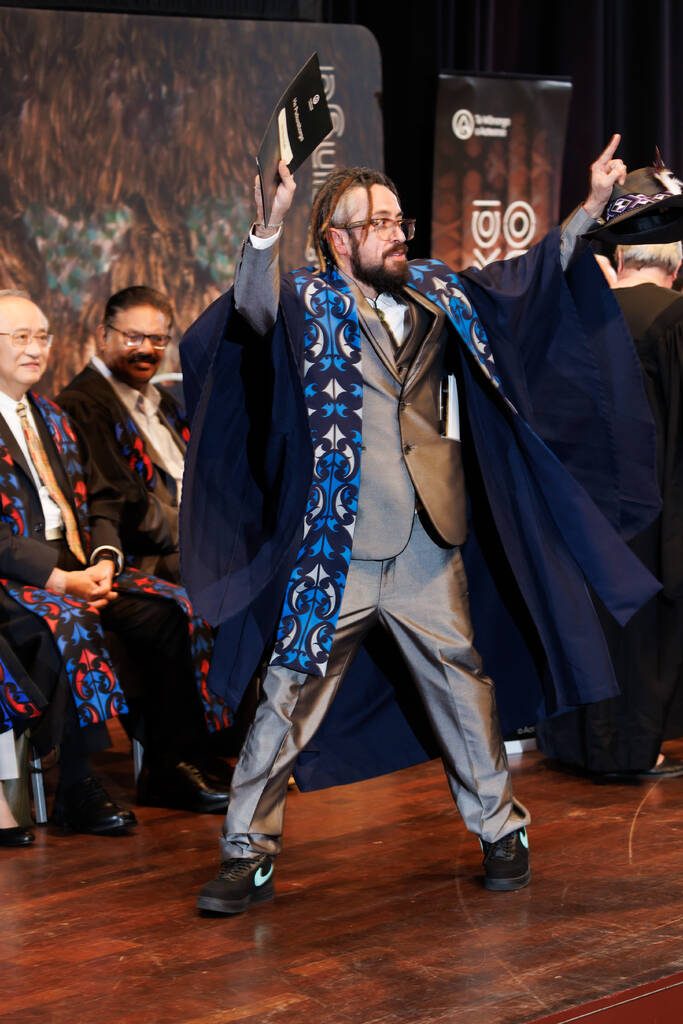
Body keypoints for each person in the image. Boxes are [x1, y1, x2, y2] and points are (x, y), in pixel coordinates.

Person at [180, 136, 661, 915]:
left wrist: (587, 210)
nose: (397, 232)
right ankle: (247, 851)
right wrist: (268, 224)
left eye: (399, 219)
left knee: (460, 685)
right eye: (377, 224)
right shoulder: (306, 299)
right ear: (335, 240)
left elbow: (522, 283)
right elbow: (251, 309)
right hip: (331, 543)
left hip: (426, 541)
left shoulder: (438, 289)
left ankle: (501, 829)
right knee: (287, 693)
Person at [0, 290, 231, 833]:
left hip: (82, 560)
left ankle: (170, 764)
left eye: (42, 338)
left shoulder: (51, 416)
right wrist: (57, 576)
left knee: (172, 610)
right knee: (72, 621)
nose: (35, 349)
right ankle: (77, 786)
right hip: (17, 574)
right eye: (20, 338)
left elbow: (100, 500)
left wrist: (103, 559)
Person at [537, 238, 683, 777]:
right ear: (678, 262)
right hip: (655, 513)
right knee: (641, 637)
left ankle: (570, 742)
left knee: (584, 624)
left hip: (580, 508)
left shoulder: (575, 317)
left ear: (620, 258)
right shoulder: (674, 320)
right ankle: (631, 750)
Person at [57, 287, 186, 583]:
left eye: (157, 340)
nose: (146, 349)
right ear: (103, 336)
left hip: (192, 540)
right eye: (133, 337)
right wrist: (202, 532)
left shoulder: (164, 403)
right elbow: (120, 504)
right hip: (140, 557)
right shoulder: (83, 404)